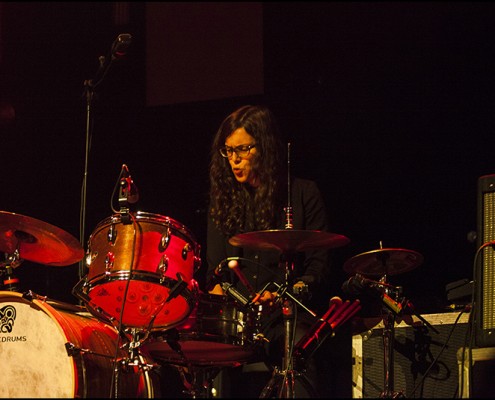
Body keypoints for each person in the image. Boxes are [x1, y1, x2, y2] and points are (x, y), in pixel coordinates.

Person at [205, 104, 336, 398]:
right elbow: (216, 272)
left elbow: (319, 268)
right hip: (238, 323)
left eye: (243, 150)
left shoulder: (302, 194)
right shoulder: (223, 205)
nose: (234, 160)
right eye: (228, 151)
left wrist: (283, 295)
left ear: (264, 147)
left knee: (300, 344)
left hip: (284, 318)